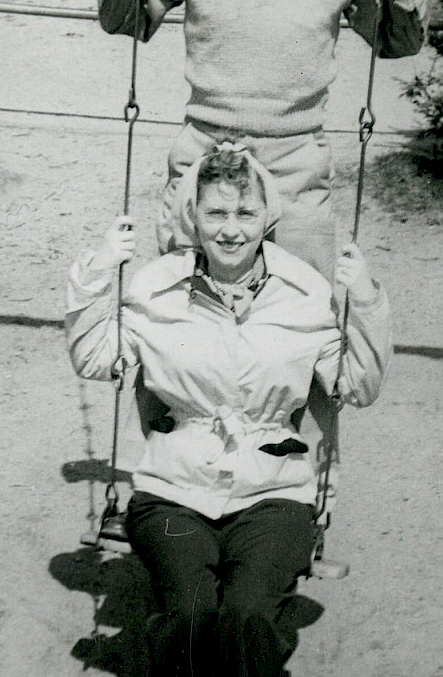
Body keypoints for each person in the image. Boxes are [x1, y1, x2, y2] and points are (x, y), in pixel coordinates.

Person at [66, 145, 392, 677]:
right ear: (193, 217)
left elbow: (356, 386)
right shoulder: (156, 287)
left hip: (274, 493)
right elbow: (95, 358)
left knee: (246, 618)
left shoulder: (305, 292)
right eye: (216, 213)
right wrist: (98, 271)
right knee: (191, 615)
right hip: (174, 491)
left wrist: (367, 301)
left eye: (245, 213)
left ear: (269, 217)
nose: (231, 230)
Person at [98, 0, 430, 279]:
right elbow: (126, 23)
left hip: (296, 170)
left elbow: (397, 42)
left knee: (301, 310)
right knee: (182, 310)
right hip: (204, 162)